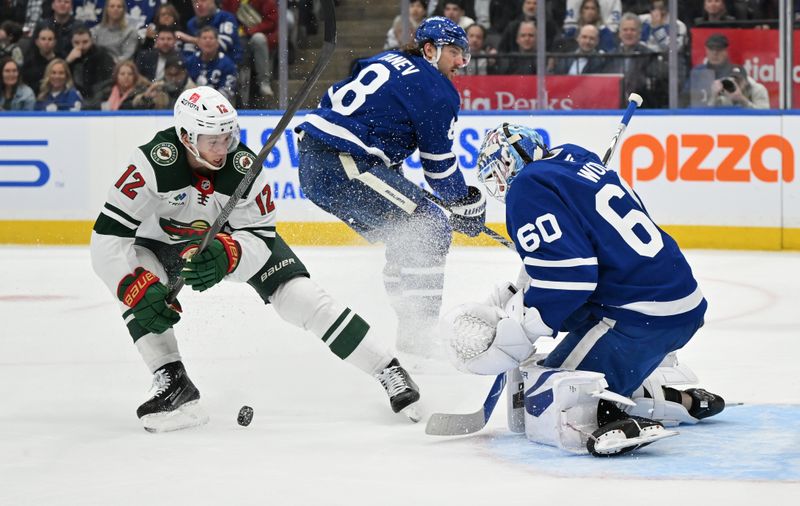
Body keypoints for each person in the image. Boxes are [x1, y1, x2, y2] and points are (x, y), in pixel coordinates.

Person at [89, 85, 421, 433]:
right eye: (212, 141)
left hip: (232, 243)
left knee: (301, 298)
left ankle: (388, 368)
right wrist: (131, 286)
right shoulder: (151, 165)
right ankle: (173, 381)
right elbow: (107, 238)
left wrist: (228, 254)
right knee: (142, 292)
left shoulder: (242, 167)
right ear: (187, 136)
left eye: (227, 137)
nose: (222, 149)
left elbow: (260, 236)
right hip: (158, 246)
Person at [442, 123, 725, 456]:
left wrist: (524, 328)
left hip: (639, 316)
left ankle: (611, 413)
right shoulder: (573, 159)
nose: (499, 185)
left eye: (496, 173)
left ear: (508, 164)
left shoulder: (527, 187)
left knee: (548, 400)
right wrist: (519, 292)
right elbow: (582, 249)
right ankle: (681, 400)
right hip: (672, 301)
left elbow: (570, 280)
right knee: (558, 375)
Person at [296, 17, 487, 360]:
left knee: (406, 232)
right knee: (429, 226)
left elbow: (336, 102)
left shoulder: (386, 60)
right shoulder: (435, 88)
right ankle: (419, 334)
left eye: (465, 55)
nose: (461, 62)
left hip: (318, 164)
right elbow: (439, 167)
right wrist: (464, 203)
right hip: (344, 164)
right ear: (430, 50)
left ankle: (411, 328)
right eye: (456, 52)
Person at [184, 25, 238, 103]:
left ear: (217, 43)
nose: (208, 41)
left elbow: (228, 91)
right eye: (204, 38)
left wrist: (207, 102)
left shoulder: (227, 64)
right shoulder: (191, 61)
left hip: (219, 106)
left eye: (211, 38)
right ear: (198, 42)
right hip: (193, 104)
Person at [66, 25, 115, 106]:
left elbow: (107, 81)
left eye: (85, 42)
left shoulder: (102, 55)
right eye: (76, 43)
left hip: (98, 96)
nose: (81, 46)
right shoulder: (68, 54)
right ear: (71, 42)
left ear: (91, 40)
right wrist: (68, 61)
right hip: (76, 96)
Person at [685, 33, 734, 107]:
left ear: (726, 51)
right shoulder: (698, 72)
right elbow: (685, 98)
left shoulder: (735, 72)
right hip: (700, 115)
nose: (715, 53)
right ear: (706, 50)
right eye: (711, 49)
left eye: (719, 49)